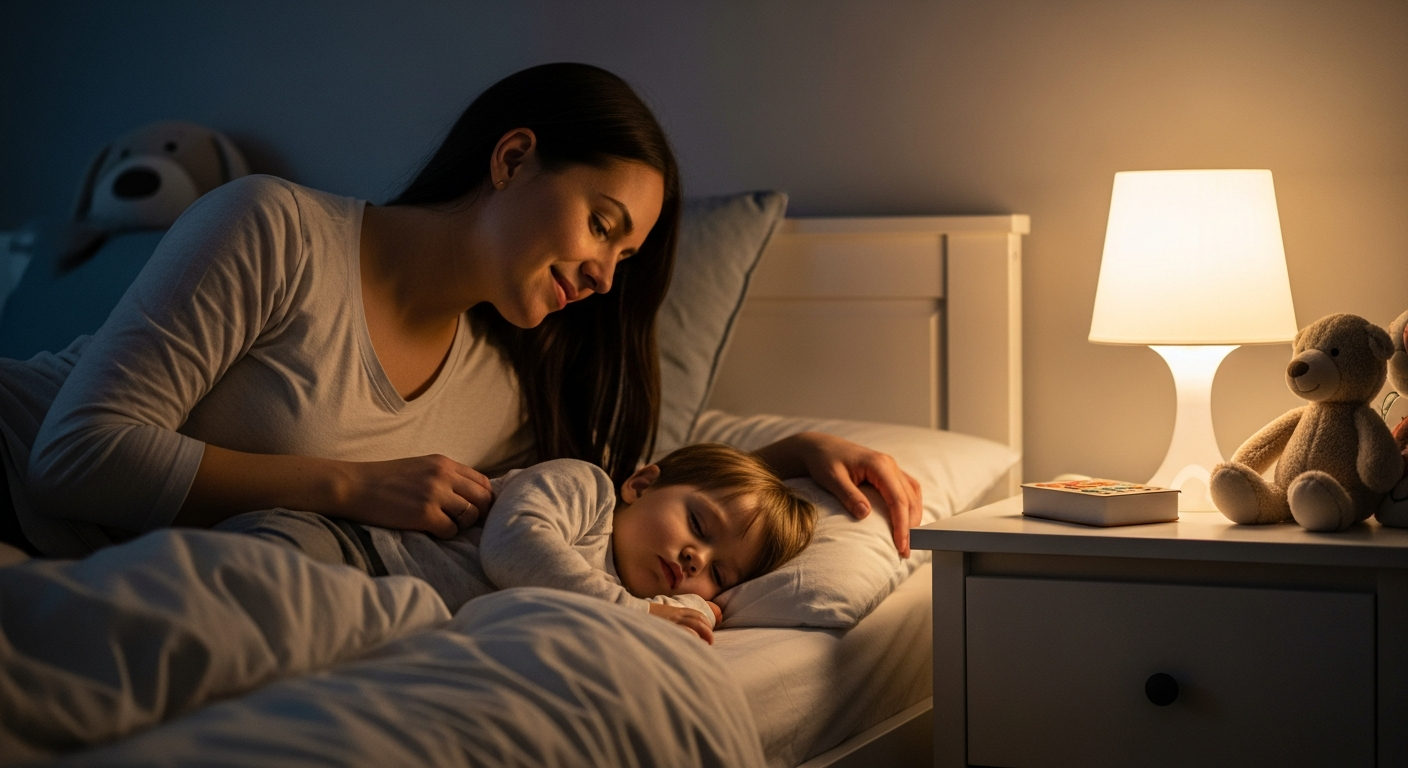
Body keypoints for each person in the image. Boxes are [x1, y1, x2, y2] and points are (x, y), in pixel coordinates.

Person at [2, 62, 920, 561]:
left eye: (625, 258)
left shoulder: (506, 393)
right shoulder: (272, 227)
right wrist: (351, 486)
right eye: (603, 227)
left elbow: (625, 492)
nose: (606, 277)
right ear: (513, 159)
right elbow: (73, 457)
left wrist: (793, 451)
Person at [219, 442, 817, 643]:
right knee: (231, 610)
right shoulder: (588, 492)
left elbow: (688, 616)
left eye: (720, 572)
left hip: (388, 610)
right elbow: (513, 548)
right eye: (699, 527)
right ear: (641, 485)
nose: (695, 559)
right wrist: (638, 613)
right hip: (344, 549)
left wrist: (692, 608)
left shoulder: (629, 596)